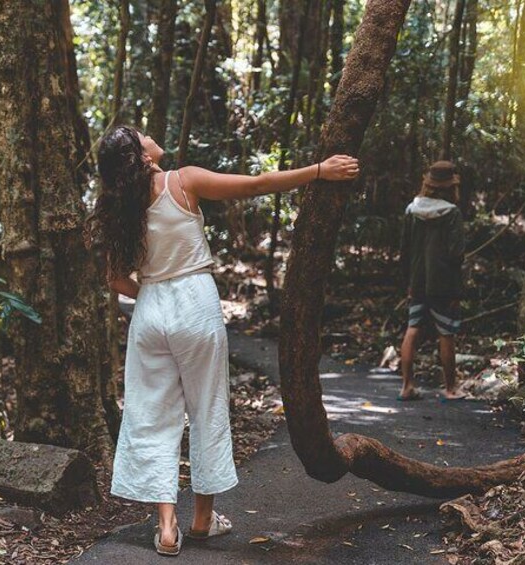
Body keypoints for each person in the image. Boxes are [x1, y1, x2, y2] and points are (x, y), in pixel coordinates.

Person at [85, 125, 359, 556]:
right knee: (206, 407)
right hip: (195, 301)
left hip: (150, 310)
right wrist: (320, 170)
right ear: (140, 155)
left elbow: (117, 281)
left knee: (153, 416)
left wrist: (155, 294)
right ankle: (202, 519)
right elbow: (257, 184)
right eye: (143, 135)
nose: (151, 134)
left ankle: (167, 526)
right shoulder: (183, 180)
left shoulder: (120, 208)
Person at [398, 160, 466, 402]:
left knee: (412, 329)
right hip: (444, 285)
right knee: (446, 333)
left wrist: (407, 282)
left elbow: (404, 250)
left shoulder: (411, 210)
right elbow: (456, 254)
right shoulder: (452, 213)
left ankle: (407, 386)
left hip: (417, 282)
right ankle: (450, 389)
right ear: (450, 186)